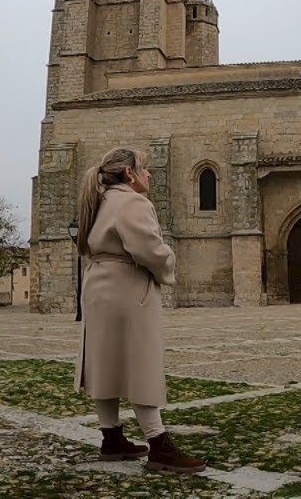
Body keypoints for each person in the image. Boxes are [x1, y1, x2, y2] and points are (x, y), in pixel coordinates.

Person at [74, 146, 206, 473]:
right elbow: (149, 249)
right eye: (144, 169)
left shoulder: (98, 201)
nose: (150, 174)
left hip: (97, 285)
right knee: (139, 363)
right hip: (127, 286)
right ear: (129, 173)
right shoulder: (132, 202)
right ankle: (158, 444)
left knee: (104, 362)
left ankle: (111, 438)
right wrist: (168, 266)